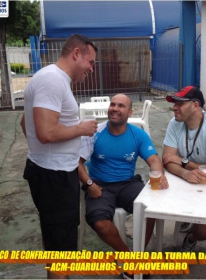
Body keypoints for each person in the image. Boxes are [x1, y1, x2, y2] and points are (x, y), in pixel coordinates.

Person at [20, 34, 98, 279]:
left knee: (55, 242)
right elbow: (45, 132)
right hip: (54, 177)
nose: (91, 69)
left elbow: (26, 123)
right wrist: (82, 129)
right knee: (62, 251)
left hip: (50, 171)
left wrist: (42, 152)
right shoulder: (53, 80)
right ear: (76, 53)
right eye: (90, 61)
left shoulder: (51, 78)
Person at [78, 93, 169, 279]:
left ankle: (139, 255)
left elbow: (153, 160)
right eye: (113, 104)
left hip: (128, 183)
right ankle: (129, 258)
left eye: (121, 106)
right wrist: (89, 184)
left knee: (151, 208)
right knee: (99, 222)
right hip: (100, 185)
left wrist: (159, 175)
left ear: (130, 112)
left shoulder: (138, 134)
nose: (115, 109)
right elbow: (76, 163)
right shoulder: (95, 133)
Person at [162, 86, 206, 253]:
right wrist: (185, 173)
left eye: (180, 103)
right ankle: (188, 217)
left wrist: (183, 161)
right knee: (156, 205)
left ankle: (191, 237)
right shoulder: (174, 123)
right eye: (174, 103)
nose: (174, 107)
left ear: (196, 105)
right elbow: (167, 160)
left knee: (203, 232)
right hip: (185, 181)